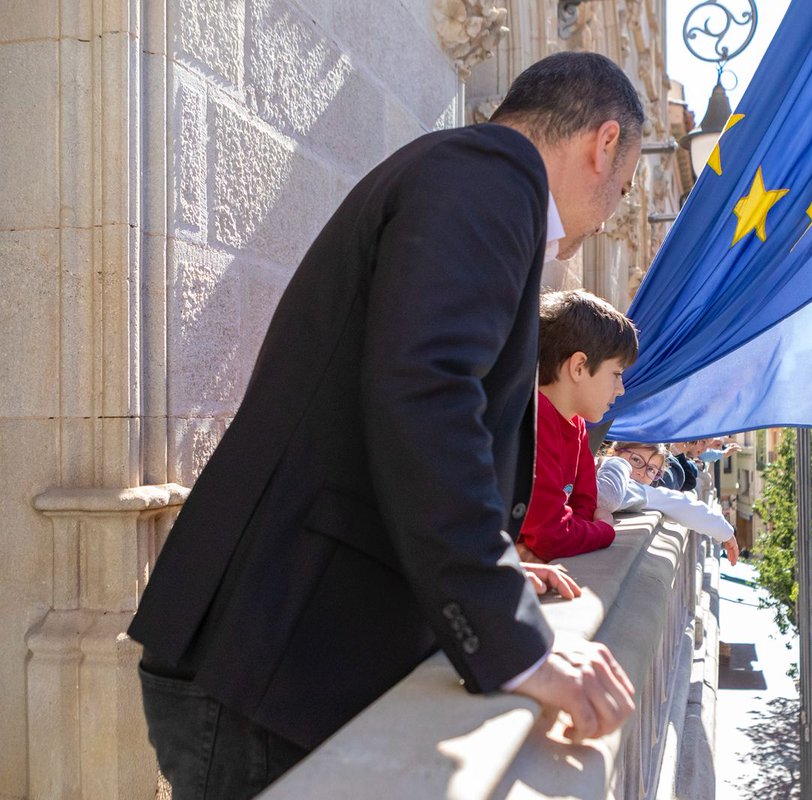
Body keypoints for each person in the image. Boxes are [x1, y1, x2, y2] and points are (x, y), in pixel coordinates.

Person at [127, 51, 644, 798]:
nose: (605, 221)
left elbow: (399, 409)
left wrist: (488, 561)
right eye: (622, 190)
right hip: (271, 661)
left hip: (272, 653)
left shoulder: (469, 174)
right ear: (602, 144)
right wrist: (514, 642)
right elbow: (428, 394)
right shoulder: (493, 181)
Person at [516, 290, 638, 562]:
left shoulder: (577, 424)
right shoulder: (534, 416)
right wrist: (605, 530)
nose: (621, 389)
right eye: (616, 374)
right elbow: (552, 535)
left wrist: (572, 529)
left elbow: (583, 507)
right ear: (579, 366)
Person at [596, 441, 739, 564]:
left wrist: (724, 531)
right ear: (612, 452)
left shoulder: (641, 491)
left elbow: (679, 504)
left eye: (651, 470)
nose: (642, 473)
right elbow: (606, 498)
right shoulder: (604, 464)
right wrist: (616, 463)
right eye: (636, 460)